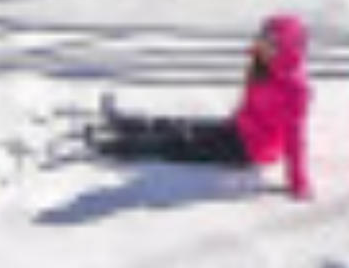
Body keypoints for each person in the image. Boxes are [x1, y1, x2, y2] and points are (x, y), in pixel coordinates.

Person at [96, 14, 313, 198]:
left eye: (272, 43)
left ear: (287, 47)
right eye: (263, 39)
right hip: (239, 128)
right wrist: (235, 119)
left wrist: (298, 182)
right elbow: (249, 102)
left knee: (179, 145)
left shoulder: (294, 89)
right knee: (180, 126)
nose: (264, 47)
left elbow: (295, 137)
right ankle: (125, 124)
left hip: (251, 149)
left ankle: (116, 146)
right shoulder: (262, 66)